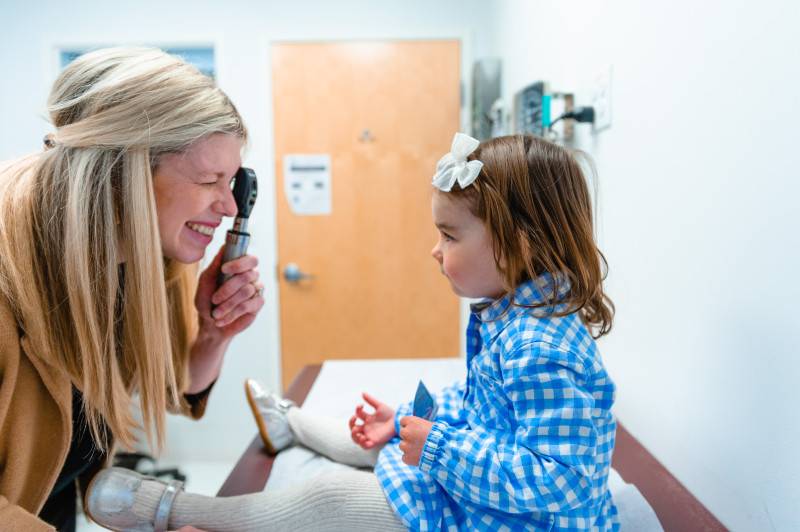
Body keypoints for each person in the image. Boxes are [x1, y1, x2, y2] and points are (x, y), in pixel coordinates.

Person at [85, 132, 618, 531]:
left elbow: (560, 481)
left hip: (520, 520)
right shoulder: (513, 316)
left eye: (450, 235)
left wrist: (437, 448)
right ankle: (292, 423)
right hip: (487, 485)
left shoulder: (541, 347)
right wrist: (414, 423)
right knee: (383, 443)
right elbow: (485, 407)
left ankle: (174, 508)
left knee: (333, 496)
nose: (436, 250)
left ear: (517, 246)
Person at [0, 46, 265, 531]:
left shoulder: (143, 249)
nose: (229, 206)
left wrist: (212, 335)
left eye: (233, 181)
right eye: (209, 180)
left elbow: (166, 387)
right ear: (119, 178)